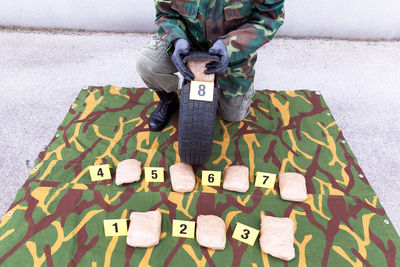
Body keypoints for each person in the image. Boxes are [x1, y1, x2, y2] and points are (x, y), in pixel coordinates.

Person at [136, 0, 285, 131]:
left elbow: (269, 18)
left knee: (233, 115)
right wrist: (176, 39)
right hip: (187, 39)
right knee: (147, 64)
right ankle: (168, 100)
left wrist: (230, 46)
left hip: (232, 49)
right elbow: (165, 11)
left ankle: (234, 84)